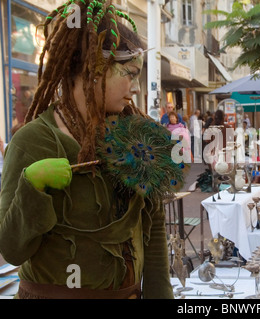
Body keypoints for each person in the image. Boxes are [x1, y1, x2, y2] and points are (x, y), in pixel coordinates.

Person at [0, 1, 175, 299]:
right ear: (93, 69)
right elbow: (12, 250)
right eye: (128, 73)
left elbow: (154, 232)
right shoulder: (33, 141)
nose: (134, 87)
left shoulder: (137, 134)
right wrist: (32, 187)